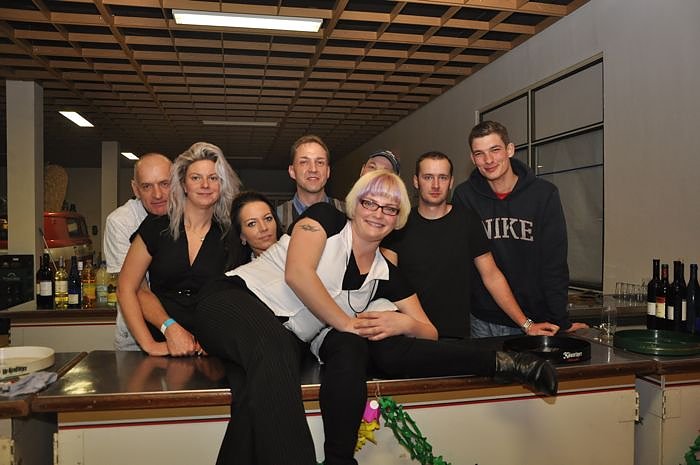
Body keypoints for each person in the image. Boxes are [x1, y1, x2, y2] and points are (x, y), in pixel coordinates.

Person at [194, 170, 557, 465]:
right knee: (276, 351)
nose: (377, 213)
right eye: (369, 203)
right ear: (355, 205)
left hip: (282, 336)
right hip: (233, 300)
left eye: (389, 208)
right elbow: (298, 274)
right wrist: (346, 322)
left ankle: (506, 363)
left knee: (254, 399)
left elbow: (429, 331)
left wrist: (405, 323)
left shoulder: (387, 274)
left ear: (399, 220)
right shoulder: (324, 219)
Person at [382, 151, 559, 339]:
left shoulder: (467, 221)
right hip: (410, 334)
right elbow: (387, 282)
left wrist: (526, 324)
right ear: (416, 181)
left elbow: (491, 276)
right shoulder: (398, 224)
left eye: (443, 177)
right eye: (428, 177)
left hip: (457, 337)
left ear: (451, 182)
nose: (435, 185)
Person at [453, 120, 588, 337]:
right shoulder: (464, 196)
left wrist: (560, 320)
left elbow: (554, 262)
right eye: (479, 153)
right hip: (483, 319)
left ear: (510, 149)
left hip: (535, 318)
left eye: (495, 150)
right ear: (472, 158)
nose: (488, 160)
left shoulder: (544, 194)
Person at [117, 142, 241, 356]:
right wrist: (151, 345)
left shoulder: (233, 235)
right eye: (196, 178)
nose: (205, 185)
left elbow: (241, 298)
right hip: (164, 342)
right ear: (183, 184)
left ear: (222, 185)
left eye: (213, 178)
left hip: (214, 350)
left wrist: (220, 338)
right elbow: (126, 288)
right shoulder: (156, 227)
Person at [103, 152, 172, 351]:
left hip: (182, 332)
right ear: (136, 189)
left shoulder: (189, 216)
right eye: (147, 186)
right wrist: (169, 329)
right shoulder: (121, 222)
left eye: (164, 183)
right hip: (137, 339)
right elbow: (136, 289)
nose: (157, 194)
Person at [277, 134, 345, 232]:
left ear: (328, 171)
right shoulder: (277, 218)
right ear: (292, 172)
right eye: (304, 162)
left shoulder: (348, 213)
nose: (313, 169)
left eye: (320, 162)